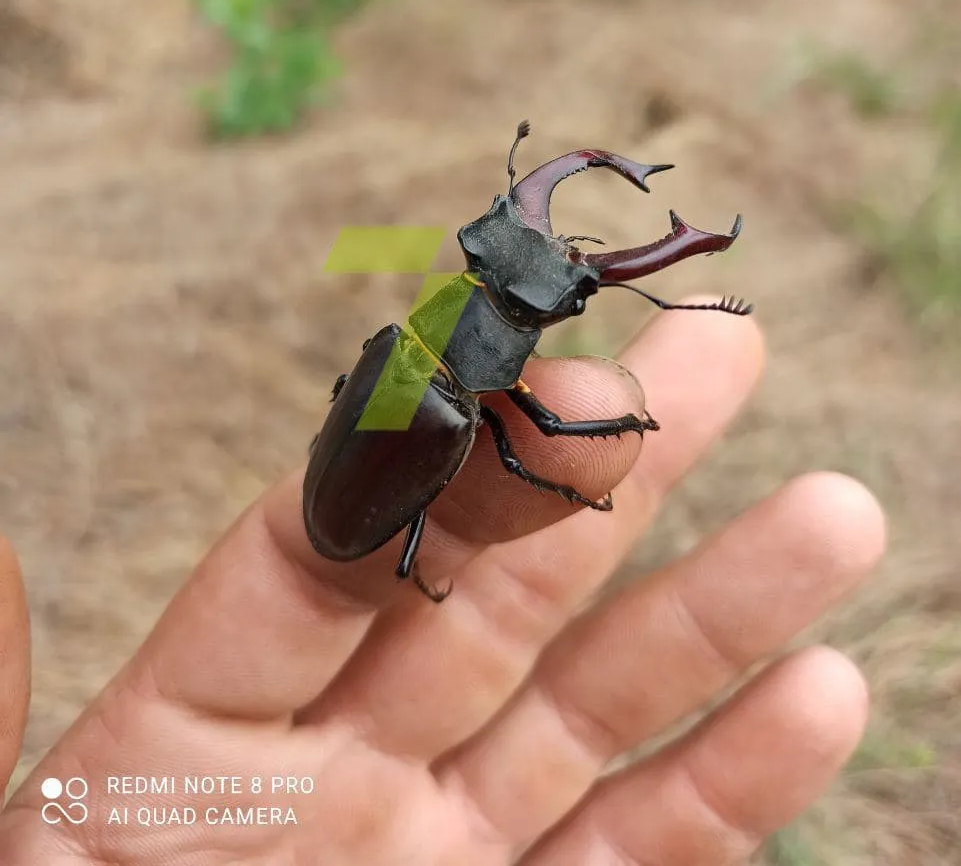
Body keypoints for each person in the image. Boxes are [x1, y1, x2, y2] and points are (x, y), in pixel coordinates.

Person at [0, 299, 885, 863]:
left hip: (352, 481)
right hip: (351, 520)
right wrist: (578, 459)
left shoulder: (401, 349)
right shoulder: (445, 389)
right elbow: (528, 438)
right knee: (517, 450)